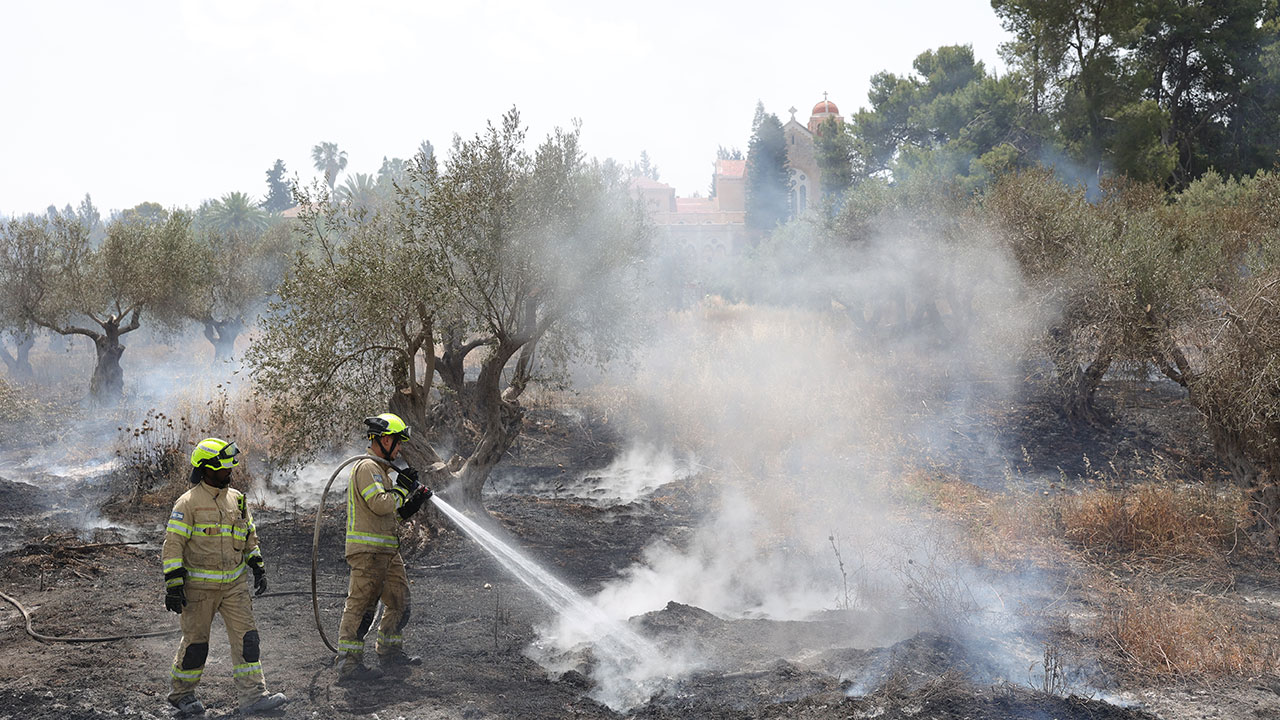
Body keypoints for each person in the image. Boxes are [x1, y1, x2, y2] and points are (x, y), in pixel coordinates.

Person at [161, 438, 288, 716]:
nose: (230, 471)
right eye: (223, 466)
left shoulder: (237, 499)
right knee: (196, 645)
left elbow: (248, 536)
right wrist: (173, 583)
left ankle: (254, 696)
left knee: (248, 641)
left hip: (234, 587)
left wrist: (257, 565)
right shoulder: (188, 503)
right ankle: (182, 694)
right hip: (198, 590)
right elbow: (173, 546)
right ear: (206, 468)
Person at [334, 412, 433, 683]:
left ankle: (389, 651)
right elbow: (380, 504)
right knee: (362, 607)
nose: (400, 448)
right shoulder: (366, 468)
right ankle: (349, 666)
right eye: (398, 442)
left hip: (387, 552)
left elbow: (389, 514)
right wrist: (402, 489)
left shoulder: (382, 472)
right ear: (385, 439)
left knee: (401, 601)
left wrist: (412, 503)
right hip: (367, 553)